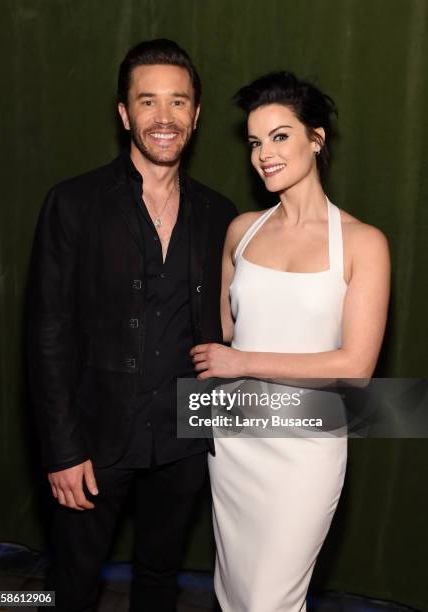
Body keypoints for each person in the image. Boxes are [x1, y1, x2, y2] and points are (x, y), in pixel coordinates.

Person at [27, 39, 236, 612]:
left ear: (196, 115)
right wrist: (62, 450)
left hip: (184, 438)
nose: (163, 118)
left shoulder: (221, 214)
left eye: (178, 102)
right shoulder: (73, 203)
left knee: (160, 578)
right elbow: (48, 334)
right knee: (73, 583)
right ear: (124, 114)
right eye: (148, 102)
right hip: (93, 442)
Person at [190, 71, 390, 611]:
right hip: (235, 441)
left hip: (306, 448)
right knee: (234, 595)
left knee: (268, 601)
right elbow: (221, 333)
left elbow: (356, 366)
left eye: (280, 136)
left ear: (315, 140)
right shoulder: (242, 229)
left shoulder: (364, 243)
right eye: (256, 142)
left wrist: (242, 361)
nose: (264, 154)